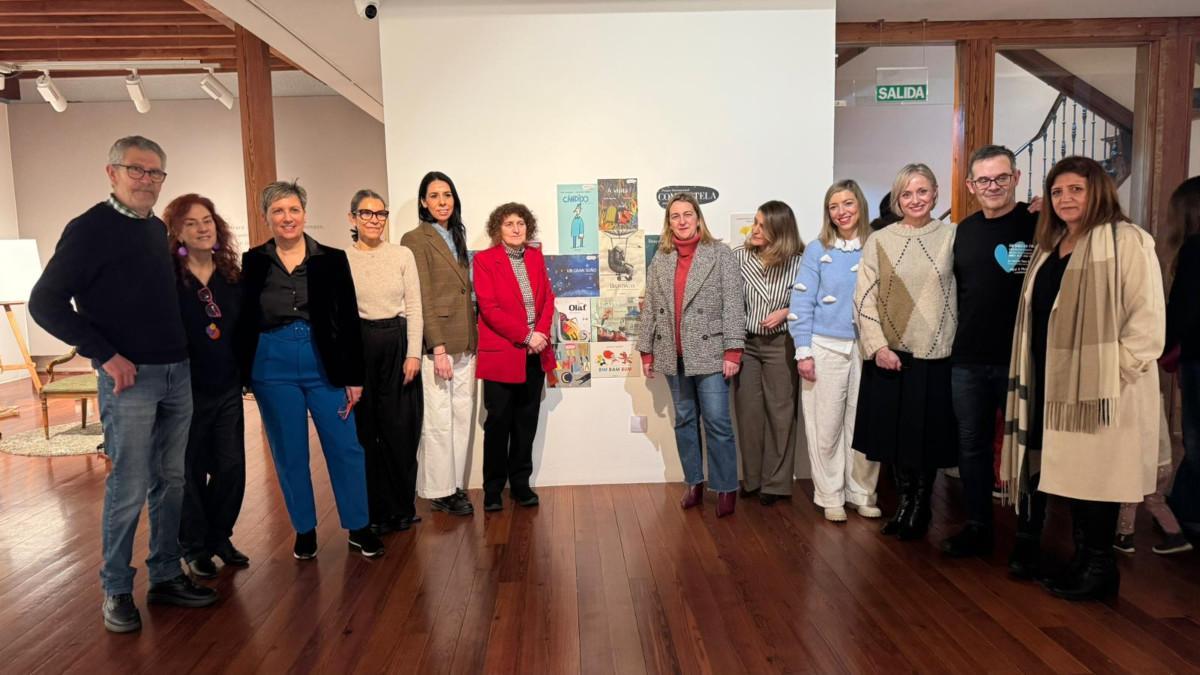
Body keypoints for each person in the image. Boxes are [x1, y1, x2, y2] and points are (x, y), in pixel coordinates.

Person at [29, 136, 217, 633]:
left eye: (155, 173)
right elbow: (44, 303)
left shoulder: (156, 230)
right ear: (111, 172)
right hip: (130, 380)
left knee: (171, 481)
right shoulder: (89, 229)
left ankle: (165, 575)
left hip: (176, 372)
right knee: (129, 485)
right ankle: (115, 588)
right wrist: (106, 355)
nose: (146, 180)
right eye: (137, 170)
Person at [1001, 156, 1164, 601]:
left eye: (1076, 189)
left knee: (1100, 477)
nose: (1065, 198)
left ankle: (1099, 568)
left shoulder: (1127, 241)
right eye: (1057, 192)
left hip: (1101, 386)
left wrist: (1112, 372)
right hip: (1051, 379)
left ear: (1098, 192)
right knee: (1076, 476)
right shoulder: (1052, 245)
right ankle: (1081, 561)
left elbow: (1147, 321)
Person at [235, 180, 383, 560]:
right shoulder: (253, 261)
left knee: (346, 446)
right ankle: (304, 529)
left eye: (293, 210)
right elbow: (244, 319)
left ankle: (359, 526)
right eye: (278, 211)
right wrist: (241, 373)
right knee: (289, 451)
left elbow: (348, 320)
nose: (287, 218)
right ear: (266, 217)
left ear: (304, 213)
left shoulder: (331, 259)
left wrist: (355, 377)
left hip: (324, 361)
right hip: (272, 363)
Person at [940, 146, 1037, 558]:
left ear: (1016, 178)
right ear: (970, 186)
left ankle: (1028, 538)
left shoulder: (1039, 223)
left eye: (1001, 178)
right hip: (968, 359)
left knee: (1026, 449)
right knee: (972, 446)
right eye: (984, 180)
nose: (992, 186)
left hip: (1020, 359)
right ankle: (978, 526)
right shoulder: (962, 232)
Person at [853, 164, 957, 541]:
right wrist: (877, 346)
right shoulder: (879, 240)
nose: (915, 200)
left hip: (935, 354)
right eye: (906, 194)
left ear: (935, 193)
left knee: (924, 439)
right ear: (897, 199)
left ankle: (921, 506)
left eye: (922, 191)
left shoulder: (952, 236)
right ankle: (904, 503)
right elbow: (863, 298)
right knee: (893, 438)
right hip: (890, 354)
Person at [637, 193, 746, 517]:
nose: (682, 220)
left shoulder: (720, 254)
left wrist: (733, 350)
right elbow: (651, 307)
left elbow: (733, 304)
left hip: (711, 352)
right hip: (673, 353)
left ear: (698, 218)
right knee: (684, 421)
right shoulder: (662, 258)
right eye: (675, 216)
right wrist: (646, 351)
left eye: (688, 214)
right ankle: (694, 482)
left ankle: (725, 487)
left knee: (717, 422)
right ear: (668, 222)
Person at [164, 194, 249, 579]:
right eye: (191, 223)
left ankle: (219, 536)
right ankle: (194, 546)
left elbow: (244, 330)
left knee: (231, 467)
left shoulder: (231, 276)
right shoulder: (169, 278)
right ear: (178, 233)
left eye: (207, 221)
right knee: (190, 472)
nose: (202, 228)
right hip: (184, 390)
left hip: (227, 385)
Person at [790, 180, 882, 522]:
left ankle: (862, 493)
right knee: (825, 427)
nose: (841, 212)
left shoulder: (877, 244)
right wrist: (803, 350)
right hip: (824, 346)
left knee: (864, 425)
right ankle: (830, 495)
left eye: (848, 203)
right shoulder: (817, 250)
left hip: (867, 347)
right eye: (833, 206)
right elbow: (801, 301)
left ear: (860, 205)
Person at [345, 189, 425, 535]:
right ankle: (373, 511)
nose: (374, 220)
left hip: (397, 341)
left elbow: (415, 307)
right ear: (353, 218)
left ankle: (401, 508)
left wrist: (413, 353)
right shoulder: (342, 259)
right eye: (366, 213)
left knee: (401, 429)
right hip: (361, 343)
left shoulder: (402, 254)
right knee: (366, 432)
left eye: (380, 214)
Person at [401, 172, 478, 516]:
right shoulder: (415, 238)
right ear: (423, 202)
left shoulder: (457, 234)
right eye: (434, 196)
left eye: (447, 194)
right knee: (438, 419)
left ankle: (455, 484)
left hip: (466, 340)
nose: (442, 201)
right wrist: (438, 347)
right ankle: (438, 490)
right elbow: (423, 296)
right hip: (439, 345)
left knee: (462, 416)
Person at [473, 202, 556, 511]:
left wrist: (541, 334)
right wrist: (526, 335)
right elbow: (489, 308)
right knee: (497, 424)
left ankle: (520, 484)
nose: (516, 228)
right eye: (509, 223)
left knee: (525, 422)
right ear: (498, 228)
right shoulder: (484, 260)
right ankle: (493, 489)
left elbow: (548, 298)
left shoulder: (535, 257)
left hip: (535, 354)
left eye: (520, 223)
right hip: (502, 356)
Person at [731, 200, 803, 506]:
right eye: (755, 223)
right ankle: (752, 480)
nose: (755, 230)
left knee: (781, 413)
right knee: (748, 414)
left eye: (763, 225)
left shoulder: (799, 262)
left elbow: (811, 299)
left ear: (780, 229)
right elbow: (730, 302)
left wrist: (786, 311)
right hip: (747, 344)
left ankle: (776, 484)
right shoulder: (739, 257)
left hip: (781, 343)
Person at [1164, 175, 1200, 546]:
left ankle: (1187, 513)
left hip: (1197, 356)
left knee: (1196, 436)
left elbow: (1183, 310)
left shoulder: (1193, 250)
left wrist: (1164, 346)